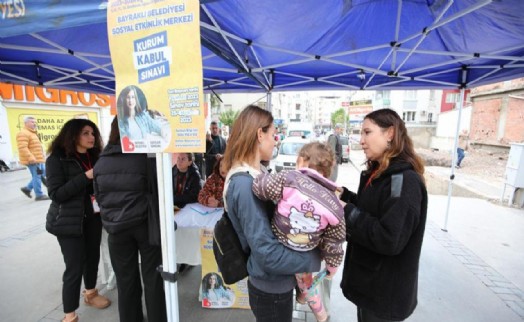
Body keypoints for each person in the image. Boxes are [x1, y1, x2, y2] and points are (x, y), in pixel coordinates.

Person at [222, 104, 321, 322]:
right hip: (271, 288)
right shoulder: (244, 184)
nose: (276, 140)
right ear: (260, 134)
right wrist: (315, 256)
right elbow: (266, 253)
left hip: (275, 283)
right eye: (274, 134)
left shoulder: (258, 173)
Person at [339, 108, 428, 322]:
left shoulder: (404, 181)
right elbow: (370, 210)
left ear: (390, 133)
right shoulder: (379, 173)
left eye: (367, 132)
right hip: (369, 288)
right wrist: (344, 196)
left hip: (384, 295)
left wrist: (346, 210)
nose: (361, 140)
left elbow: (389, 237)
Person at [252, 141, 346, 322]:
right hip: (306, 249)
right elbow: (334, 240)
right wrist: (332, 266)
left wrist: (259, 179)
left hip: (279, 241)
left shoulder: (289, 178)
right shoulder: (334, 203)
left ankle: (302, 292)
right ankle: (318, 312)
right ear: (327, 171)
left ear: (302, 160)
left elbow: (261, 188)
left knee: (298, 276)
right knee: (306, 281)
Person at [93, 117, 166, 322]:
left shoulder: (101, 162)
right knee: (153, 278)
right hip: (145, 226)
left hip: (116, 230)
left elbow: (99, 197)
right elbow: (156, 191)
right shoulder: (144, 158)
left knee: (126, 281)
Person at [45, 119, 111, 322]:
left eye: (93, 133)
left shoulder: (95, 156)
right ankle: (69, 315)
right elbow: (56, 194)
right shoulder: (56, 159)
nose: (91, 137)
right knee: (74, 268)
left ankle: (91, 293)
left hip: (93, 217)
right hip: (67, 222)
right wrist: (86, 176)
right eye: (85, 133)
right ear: (73, 135)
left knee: (92, 259)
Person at [16, 116, 49, 200]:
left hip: (39, 159)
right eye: (32, 122)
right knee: (37, 176)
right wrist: (31, 157)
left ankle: (27, 188)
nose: (34, 124)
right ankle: (39, 195)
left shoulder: (32, 133)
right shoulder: (23, 133)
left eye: (35, 122)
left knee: (42, 173)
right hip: (33, 160)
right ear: (26, 123)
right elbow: (22, 147)